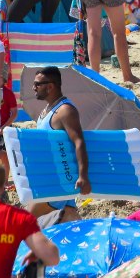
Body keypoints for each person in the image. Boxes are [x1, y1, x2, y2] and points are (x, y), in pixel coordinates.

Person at [31, 66, 91, 221]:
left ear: (50, 86)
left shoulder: (65, 110)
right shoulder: (47, 109)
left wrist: (83, 175)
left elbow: (79, 142)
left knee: (25, 221)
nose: (34, 88)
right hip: (49, 177)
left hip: (58, 180)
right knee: (67, 226)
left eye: (37, 84)